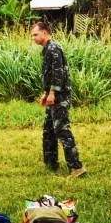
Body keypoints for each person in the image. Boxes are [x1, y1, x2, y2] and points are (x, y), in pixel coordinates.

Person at [32, 22, 85, 178]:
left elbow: (58, 73)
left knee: (62, 130)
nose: (33, 38)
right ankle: (51, 163)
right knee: (49, 130)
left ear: (45, 33)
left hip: (59, 96)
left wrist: (53, 93)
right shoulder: (47, 49)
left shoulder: (54, 48)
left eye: (35, 35)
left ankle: (77, 167)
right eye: (32, 36)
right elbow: (48, 74)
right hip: (52, 94)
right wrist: (45, 92)